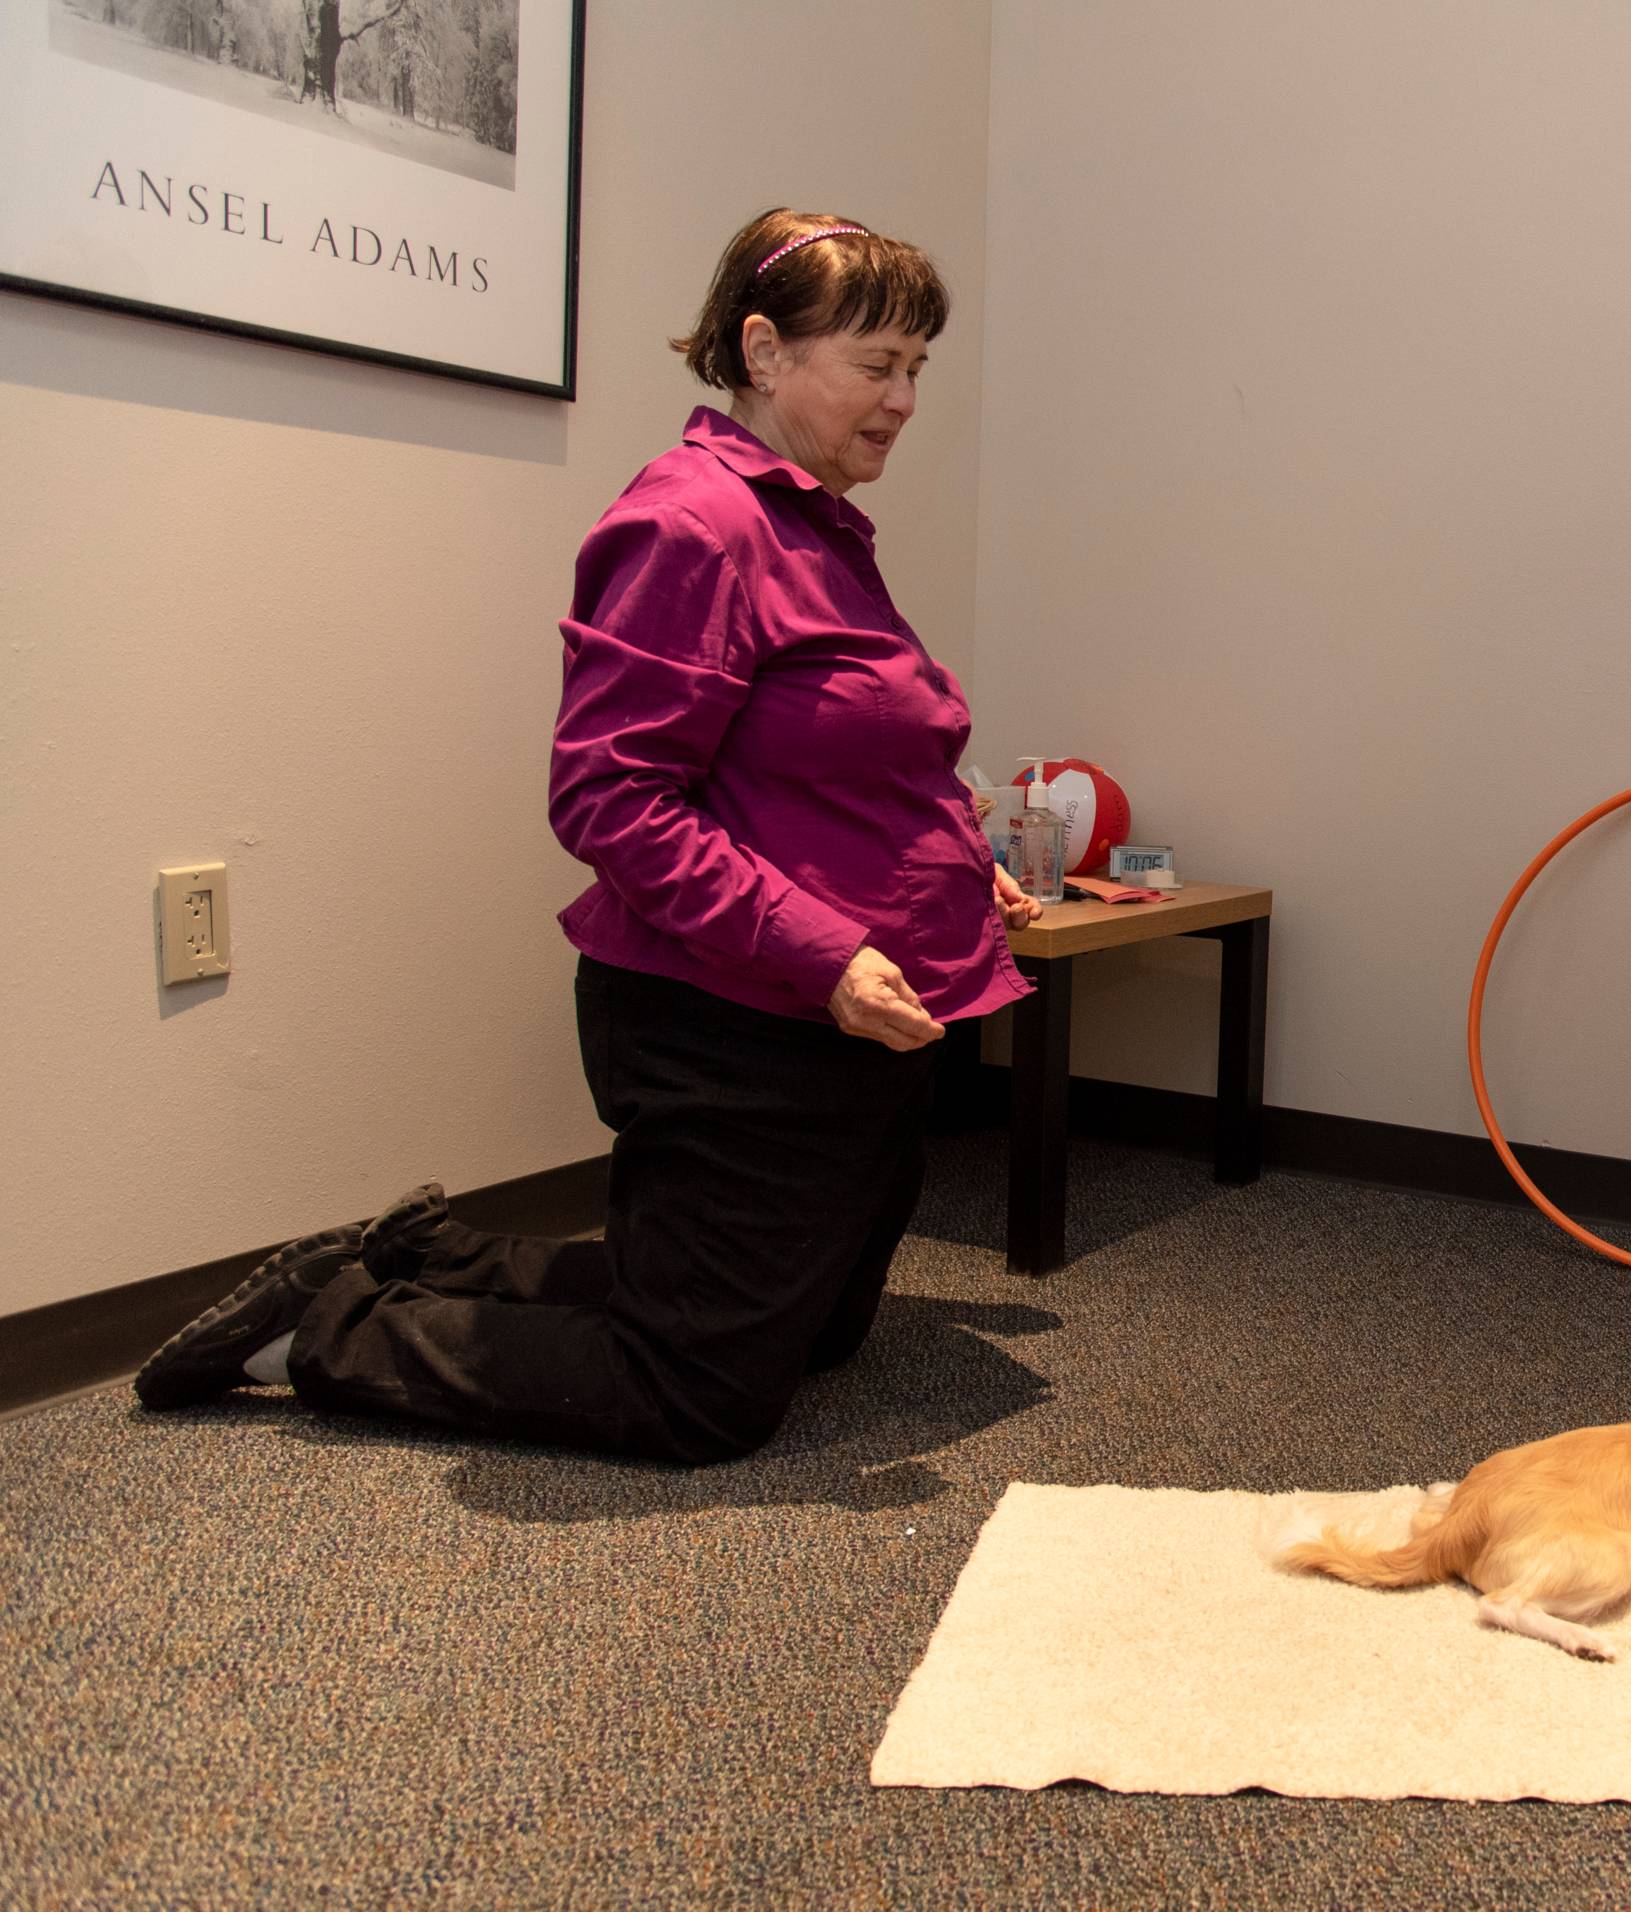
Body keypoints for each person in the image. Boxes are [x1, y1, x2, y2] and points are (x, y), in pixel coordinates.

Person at [134, 209, 1045, 1463]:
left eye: (916, 371)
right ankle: (324, 1325)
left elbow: (853, 744)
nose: (902, 400)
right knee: (699, 1396)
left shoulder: (811, 522)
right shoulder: (694, 524)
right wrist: (824, 949)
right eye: (877, 365)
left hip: (847, 1020)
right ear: (764, 351)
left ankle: (435, 1255)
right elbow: (611, 800)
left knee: (818, 1333)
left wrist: (953, 854)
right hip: (729, 1019)